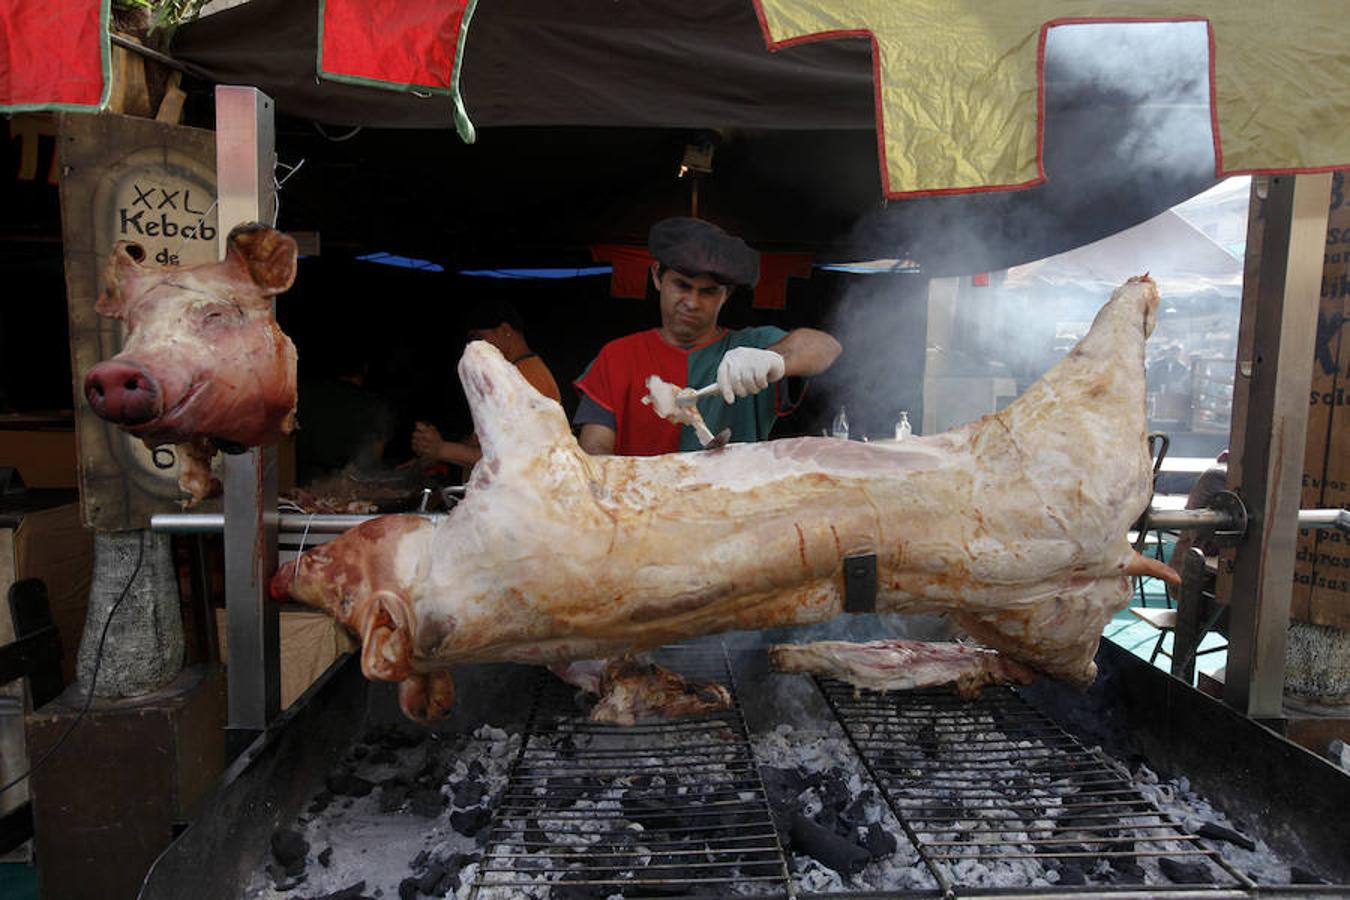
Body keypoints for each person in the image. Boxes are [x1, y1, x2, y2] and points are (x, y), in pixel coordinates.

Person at [573, 217, 841, 455]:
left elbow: (826, 347)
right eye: (682, 285)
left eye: (709, 291)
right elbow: (594, 451)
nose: (692, 302)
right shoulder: (616, 356)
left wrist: (773, 358)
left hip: (734, 505)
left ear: (727, 294)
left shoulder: (750, 347)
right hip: (638, 504)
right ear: (657, 276)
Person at [410, 298, 561, 470]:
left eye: (478, 338)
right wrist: (435, 454)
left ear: (505, 330)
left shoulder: (528, 378)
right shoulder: (512, 374)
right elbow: (482, 443)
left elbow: (510, 457)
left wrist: (442, 449)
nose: (473, 347)